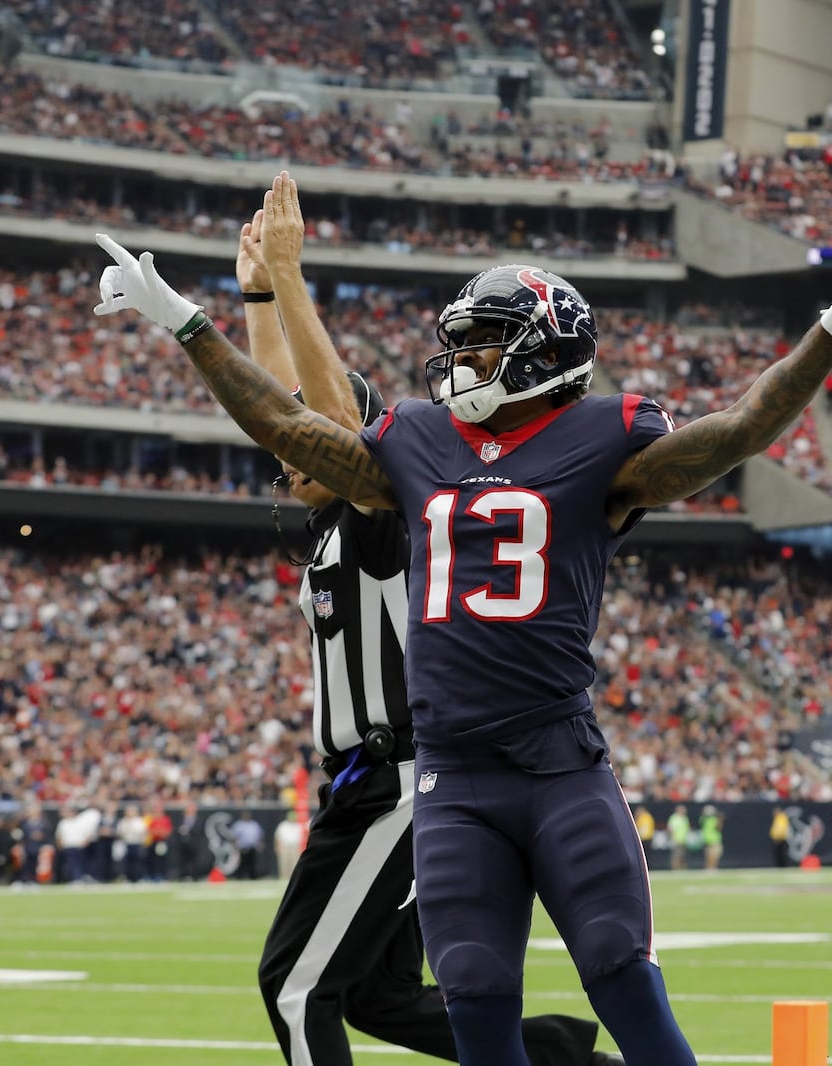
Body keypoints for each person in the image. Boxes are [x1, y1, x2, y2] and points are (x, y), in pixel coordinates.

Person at [94, 171, 832, 1066]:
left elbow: (736, 430)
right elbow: (292, 430)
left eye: (485, 345)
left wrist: (829, 335)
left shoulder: (605, 437)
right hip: (452, 785)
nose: (461, 361)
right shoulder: (418, 439)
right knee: (476, 1011)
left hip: (559, 768)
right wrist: (188, 322)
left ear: (541, 352)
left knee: (626, 986)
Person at [227, 182, 613, 1066]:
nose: (290, 461)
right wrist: (254, 299)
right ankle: (571, 1061)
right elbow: (279, 414)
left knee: (294, 990)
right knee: (376, 996)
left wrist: (286, 279)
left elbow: (320, 421)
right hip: (369, 781)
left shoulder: (385, 509)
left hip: (398, 779)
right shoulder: (331, 521)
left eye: (310, 445)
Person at [666, 804, 690, 871]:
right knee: (676, 856)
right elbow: (670, 829)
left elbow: (686, 828)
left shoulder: (685, 818)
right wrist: (672, 838)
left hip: (683, 840)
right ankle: (675, 869)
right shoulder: (674, 818)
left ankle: (681, 869)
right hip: (676, 840)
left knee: (683, 856)